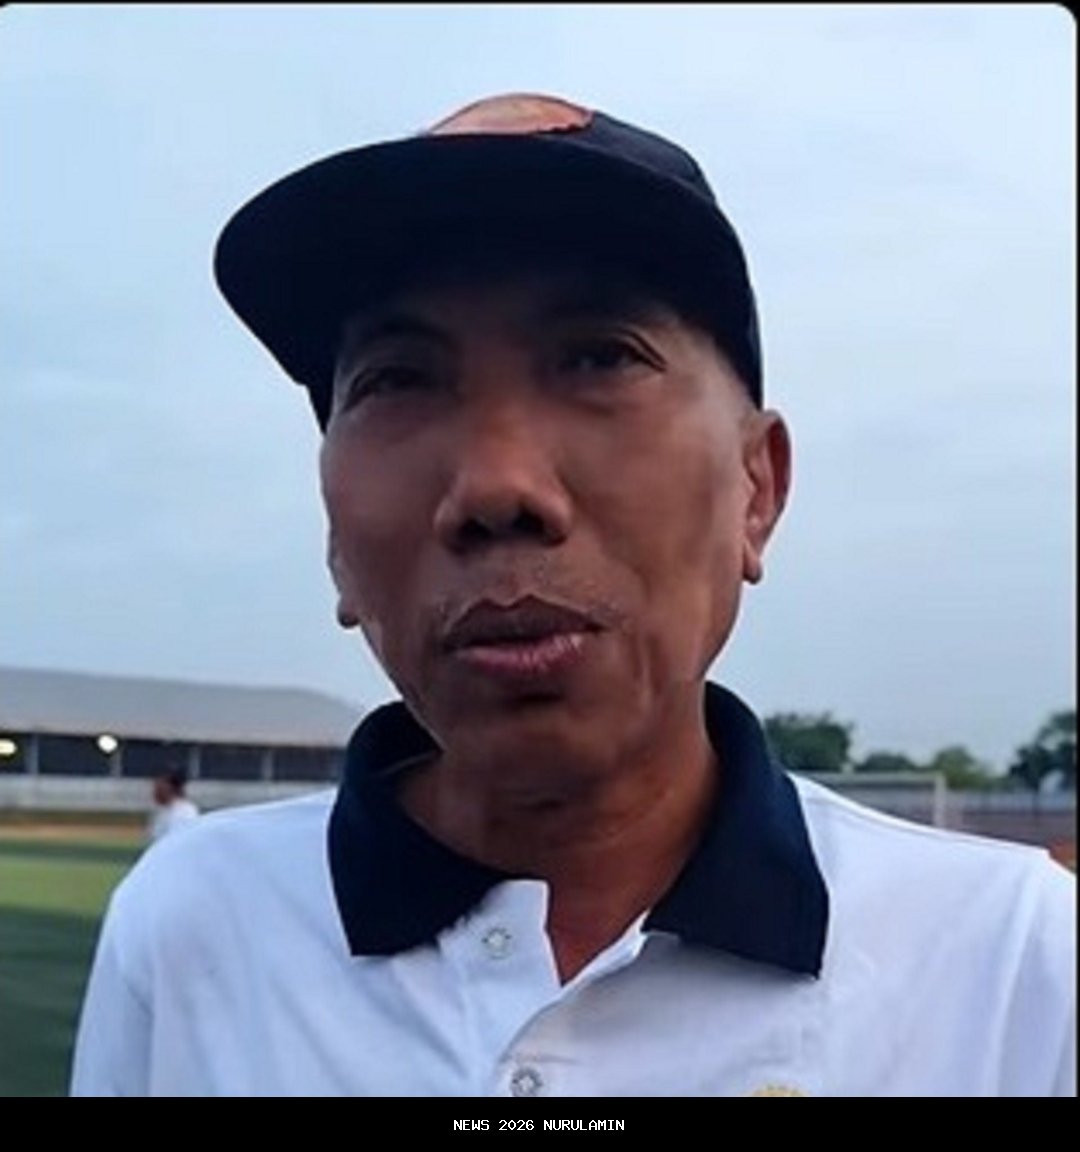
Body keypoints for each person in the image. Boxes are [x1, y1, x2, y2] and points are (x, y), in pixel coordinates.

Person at [70, 93, 1075, 1098]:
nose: (496, 488)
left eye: (600, 357)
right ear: (335, 537)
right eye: (397, 380)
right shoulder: (197, 926)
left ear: (756, 489)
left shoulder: (1010, 968)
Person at [146, 769, 200, 843]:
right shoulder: (164, 810)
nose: (154, 792)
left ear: (168, 787)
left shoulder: (182, 813)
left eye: (157, 787)